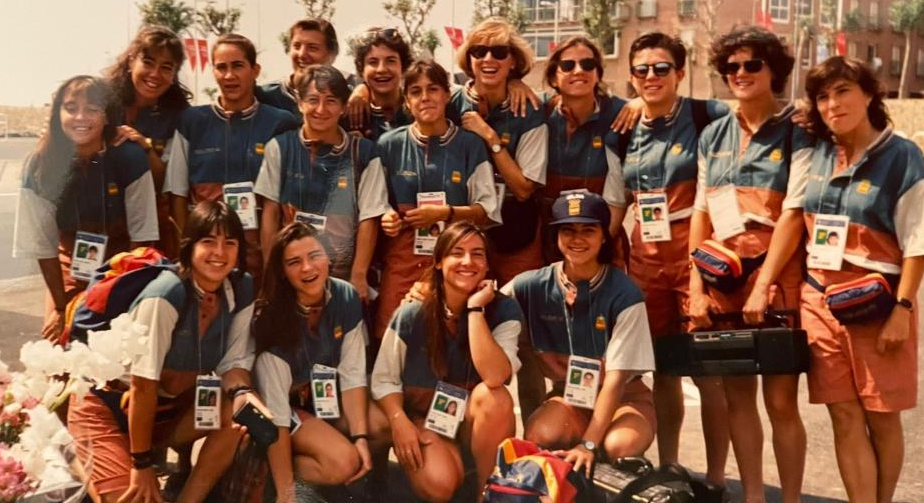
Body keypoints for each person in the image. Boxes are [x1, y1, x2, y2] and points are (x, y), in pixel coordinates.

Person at [751, 56, 924, 503]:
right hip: (820, 301)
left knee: (881, 416)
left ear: (869, 94)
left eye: (843, 91)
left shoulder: (902, 156)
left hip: (878, 305)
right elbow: (795, 214)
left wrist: (904, 309)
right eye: (823, 95)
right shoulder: (816, 151)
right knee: (842, 413)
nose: (832, 104)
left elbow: (919, 243)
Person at [688, 26, 813, 503]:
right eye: (731, 67)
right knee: (738, 396)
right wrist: (697, 284)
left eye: (751, 65)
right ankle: (755, 496)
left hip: (776, 277)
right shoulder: (713, 133)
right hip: (721, 277)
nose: (740, 74)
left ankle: (792, 499)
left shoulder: (798, 129)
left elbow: (793, 212)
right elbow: (702, 211)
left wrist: (765, 283)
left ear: (773, 71)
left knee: (780, 401)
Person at [66, 200, 258, 503]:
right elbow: (143, 386)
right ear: (189, 245)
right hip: (108, 405)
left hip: (162, 411)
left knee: (238, 415)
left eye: (229, 243)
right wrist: (141, 465)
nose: (220, 253)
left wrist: (244, 394)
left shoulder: (241, 287)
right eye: (208, 241)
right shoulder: (164, 295)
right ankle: (82, 457)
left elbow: (233, 362)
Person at [603, 33, 730, 485]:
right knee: (664, 373)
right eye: (642, 70)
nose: (651, 76)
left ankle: (716, 480)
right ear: (632, 76)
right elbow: (617, 202)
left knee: (709, 376)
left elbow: (759, 117)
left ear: (680, 72)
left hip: (697, 260)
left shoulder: (706, 115)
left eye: (661, 68)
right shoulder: (622, 132)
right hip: (645, 263)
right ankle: (671, 465)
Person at [503, 192, 656, 478]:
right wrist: (425, 293)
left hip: (625, 399)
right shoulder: (530, 285)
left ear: (604, 237)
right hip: (570, 398)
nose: (577, 239)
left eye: (588, 230)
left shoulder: (625, 294)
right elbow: (483, 305)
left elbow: (615, 380)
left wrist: (588, 444)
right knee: (541, 432)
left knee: (619, 446)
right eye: (568, 230)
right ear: (556, 236)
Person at [371, 222, 521, 502]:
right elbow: (383, 379)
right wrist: (399, 421)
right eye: (457, 252)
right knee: (441, 484)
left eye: (478, 254)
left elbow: (496, 375)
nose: (468, 261)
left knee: (495, 397)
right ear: (439, 261)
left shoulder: (504, 309)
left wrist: (476, 309)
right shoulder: (413, 312)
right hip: (425, 421)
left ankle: (485, 495)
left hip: (468, 425)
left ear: (488, 265)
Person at [13, 75, 159, 342]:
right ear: (57, 114)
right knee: (61, 351)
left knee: (116, 347)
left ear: (106, 116)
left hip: (123, 265)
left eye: (92, 109)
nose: (80, 117)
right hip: (69, 265)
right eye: (70, 108)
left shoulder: (130, 157)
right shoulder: (39, 166)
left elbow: (142, 236)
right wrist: (59, 308)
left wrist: (118, 296)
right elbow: (42, 246)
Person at [374, 60, 500, 339]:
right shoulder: (389, 145)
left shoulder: (470, 145)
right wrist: (387, 217)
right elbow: (376, 204)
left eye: (433, 89)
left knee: (451, 341)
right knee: (393, 337)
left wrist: (446, 213)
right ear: (406, 101)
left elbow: (488, 211)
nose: (425, 97)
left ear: (446, 94)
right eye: (416, 91)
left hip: (456, 262)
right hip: (402, 259)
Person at [254, 221, 377, 500]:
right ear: (283, 273)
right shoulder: (271, 321)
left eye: (314, 256)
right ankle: (268, 476)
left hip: (321, 399)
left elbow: (353, 372)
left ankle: (361, 480)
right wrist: (287, 496)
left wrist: (361, 438)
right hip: (281, 409)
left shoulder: (345, 296)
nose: (307, 268)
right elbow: (277, 417)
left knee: (379, 425)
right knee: (343, 462)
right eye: (294, 262)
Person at [164, 34, 298, 287]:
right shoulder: (191, 121)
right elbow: (177, 195)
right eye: (221, 67)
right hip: (208, 253)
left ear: (254, 70)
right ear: (213, 71)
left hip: (260, 251)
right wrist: (188, 249)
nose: (229, 76)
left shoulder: (280, 122)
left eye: (237, 66)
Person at [256, 65, 390, 301]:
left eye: (330, 101)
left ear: (343, 106)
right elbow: (270, 213)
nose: (320, 109)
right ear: (300, 103)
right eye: (313, 100)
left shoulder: (364, 154)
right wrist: (271, 272)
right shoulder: (280, 147)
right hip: (293, 273)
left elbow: (370, 217)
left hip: (341, 275)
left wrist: (358, 275)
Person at [448, 17, 548, 285]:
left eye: (500, 52)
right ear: (469, 60)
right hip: (462, 238)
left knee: (518, 316)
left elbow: (524, 189)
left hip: (516, 235)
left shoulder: (529, 109)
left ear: (512, 61)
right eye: (479, 51)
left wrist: (490, 137)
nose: (488, 58)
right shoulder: (449, 102)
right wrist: (360, 92)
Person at [541, 36, 633, 267]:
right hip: (549, 234)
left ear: (598, 73)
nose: (579, 71)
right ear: (554, 76)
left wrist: (603, 243)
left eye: (588, 64)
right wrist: (514, 84)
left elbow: (620, 194)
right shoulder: (538, 110)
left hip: (601, 234)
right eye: (568, 65)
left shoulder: (620, 112)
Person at [102, 25, 192, 257]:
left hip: (150, 225)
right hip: (99, 221)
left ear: (174, 75)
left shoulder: (178, 116)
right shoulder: (100, 101)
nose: (155, 74)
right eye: (148, 62)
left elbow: (168, 182)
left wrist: (145, 147)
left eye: (166, 67)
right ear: (131, 61)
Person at [257, 18, 341, 120]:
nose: (302, 54)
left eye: (312, 48)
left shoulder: (346, 96)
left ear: (331, 55)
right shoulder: (265, 95)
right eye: (296, 46)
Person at [346, 27, 414, 141]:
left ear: (403, 66)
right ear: (361, 69)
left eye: (391, 61)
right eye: (373, 62)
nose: (381, 69)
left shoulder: (417, 111)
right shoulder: (350, 112)